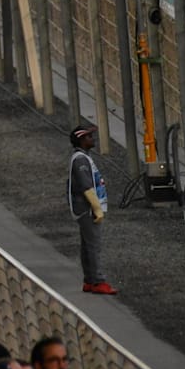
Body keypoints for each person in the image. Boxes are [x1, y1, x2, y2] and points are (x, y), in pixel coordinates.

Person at [68, 125, 116, 295]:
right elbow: (86, 186)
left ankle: (89, 280)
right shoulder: (80, 160)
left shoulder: (83, 157)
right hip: (87, 209)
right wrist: (97, 208)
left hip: (87, 209)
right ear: (81, 140)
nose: (92, 139)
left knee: (87, 245)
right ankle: (97, 281)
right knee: (93, 245)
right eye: (89, 136)